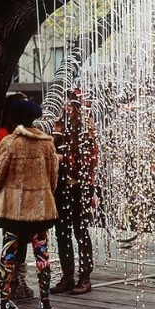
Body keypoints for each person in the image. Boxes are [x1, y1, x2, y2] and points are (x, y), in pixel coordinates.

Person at [0, 99, 60, 309]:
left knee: (8, 254)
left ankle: (4, 302)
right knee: (42, 254)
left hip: (12, 209)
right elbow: (53, 177)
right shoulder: (47, 143)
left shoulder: (9, 143)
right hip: (40, 209)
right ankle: (45, 301)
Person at [51, 91, 98, 295]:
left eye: (70, 105)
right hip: (61, 188)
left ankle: (84, 277)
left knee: (80, 232)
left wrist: (65, 160)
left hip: (80, 187)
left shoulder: (85, 133)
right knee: (62, 231)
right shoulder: (59, 130)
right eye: (65, 105)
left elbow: (89, 161)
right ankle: (67, 275)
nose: (66, 109)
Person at [0, 92, 35, 299]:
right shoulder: (5, 136)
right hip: (15, 198)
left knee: (21, 241)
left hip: (21, 197)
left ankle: (17, 282)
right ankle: (10, 283)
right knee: (12, 241)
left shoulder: (16, 136)